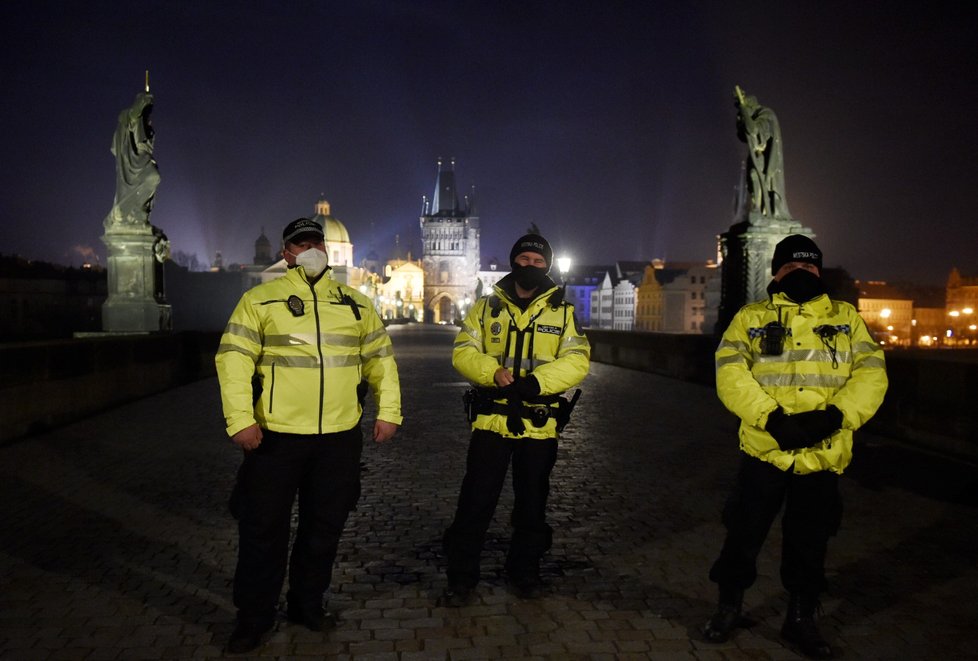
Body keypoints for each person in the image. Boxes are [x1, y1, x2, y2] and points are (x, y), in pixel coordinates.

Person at [215, 217, 402, 654]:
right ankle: (253, 617)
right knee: (263, 530)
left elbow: (382, 362)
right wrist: (240, 419)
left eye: (317, 242)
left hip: (338, 437)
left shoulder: (356, 303)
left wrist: (388, 411)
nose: (311, 249)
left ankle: (307, 603)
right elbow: (233, 362)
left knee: (324, 528)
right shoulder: (260, 300)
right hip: (275, 437)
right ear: (286, 253)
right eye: (301, 244)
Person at [703, 235, 887, 658]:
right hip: (766, 450)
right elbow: (730, 374)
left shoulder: (847, 318)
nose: (801, 273)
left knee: (810, 543)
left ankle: (800, 619)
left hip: (822, 455)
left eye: (809, 267)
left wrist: (836, 417)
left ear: (819, 272)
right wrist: (771, 419)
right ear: (776, 272)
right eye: (791, 267)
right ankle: (728, 607)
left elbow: (872, 374)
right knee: (742, 536)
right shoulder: (751, 317)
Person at [443, 232, 590, 604]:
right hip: (491, 420)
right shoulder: (485, 307)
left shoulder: (563, 312)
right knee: (475, 501)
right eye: (524, 260)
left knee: (532, 504)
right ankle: (461, 577)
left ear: (548, 267)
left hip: (539, 423)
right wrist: (490, 372)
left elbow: (577, 360)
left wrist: (538, 382)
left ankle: (524, 570)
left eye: (538, 262)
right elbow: (463, 350)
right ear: (513, 262)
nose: (530, 266)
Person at [105, 91, 161, 227]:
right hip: (137, 158)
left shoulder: (147, 122)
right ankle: (126, 210)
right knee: (154, 177)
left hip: (146, 157)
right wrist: (144, 99)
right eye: (148, 106)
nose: (150, 109)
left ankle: (135, 211)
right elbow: (133, 114)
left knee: (153, 179)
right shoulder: (133, 116)